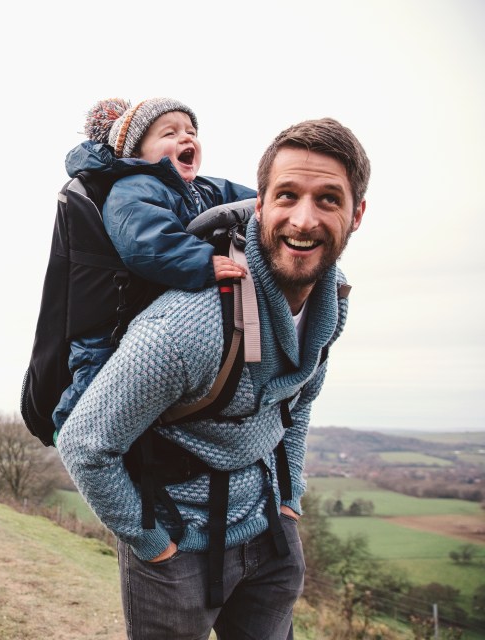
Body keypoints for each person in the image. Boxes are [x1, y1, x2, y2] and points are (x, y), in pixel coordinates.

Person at [57, 117, 369, 639]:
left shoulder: (329, 301)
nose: (304, 219)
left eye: (329, 199)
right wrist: (150, 541)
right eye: (287, 195)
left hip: (269, 532)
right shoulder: (190, 324)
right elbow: (85, 443)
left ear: (357, 214)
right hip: (176, 544)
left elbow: (299, 399)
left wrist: (290, 499)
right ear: (261, 203)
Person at [52, 97, 258, 432]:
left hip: (153, 310)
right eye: (170, 133)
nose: (185, 138)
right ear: (137, 152)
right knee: (95, 383)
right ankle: (68, 427)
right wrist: (205, 261)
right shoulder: (134, 188)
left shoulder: (200, 188)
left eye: (191, 131)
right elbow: (147, 243)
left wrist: (284, 200)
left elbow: (250, 198)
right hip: (112, 319)